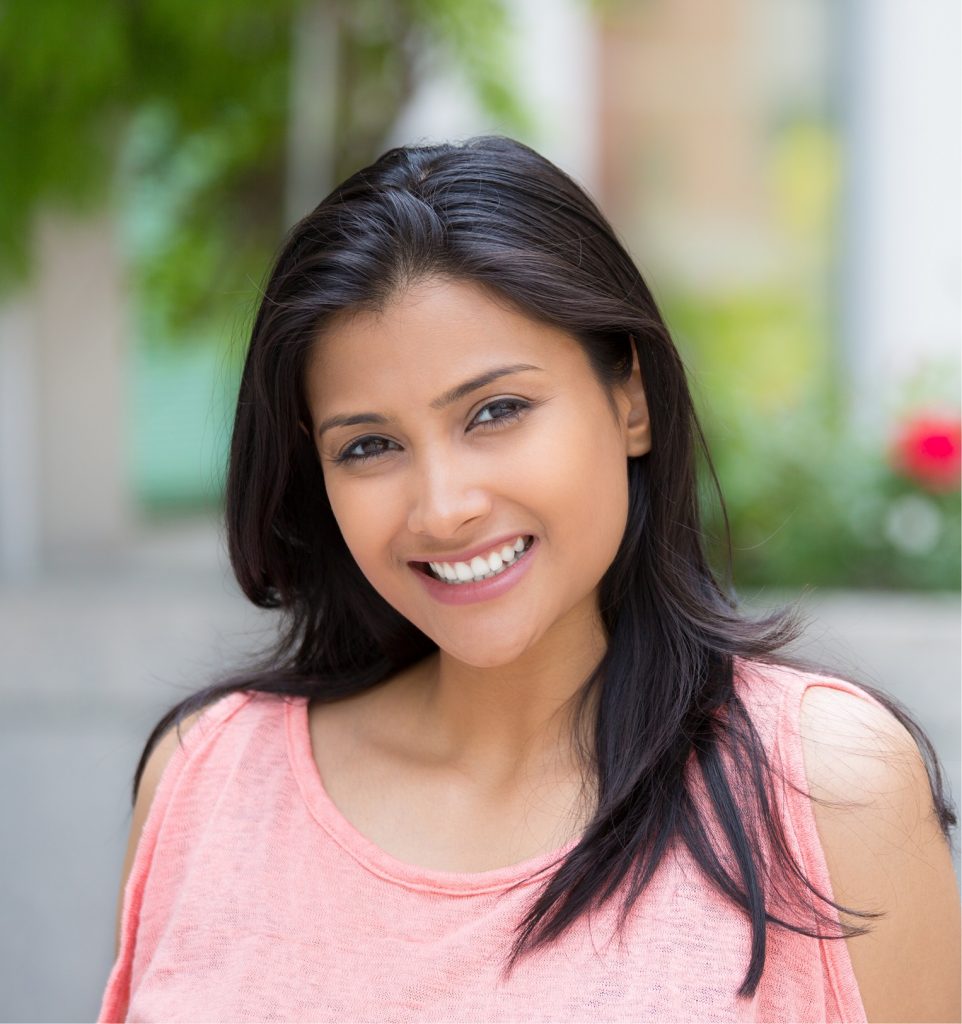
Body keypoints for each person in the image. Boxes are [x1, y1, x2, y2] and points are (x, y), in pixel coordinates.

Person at [98, 136, 960, 1023]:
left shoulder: (824, 789)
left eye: (496, 411)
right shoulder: (207, 779)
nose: (442, 508)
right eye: (369, 445)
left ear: (630, 400)